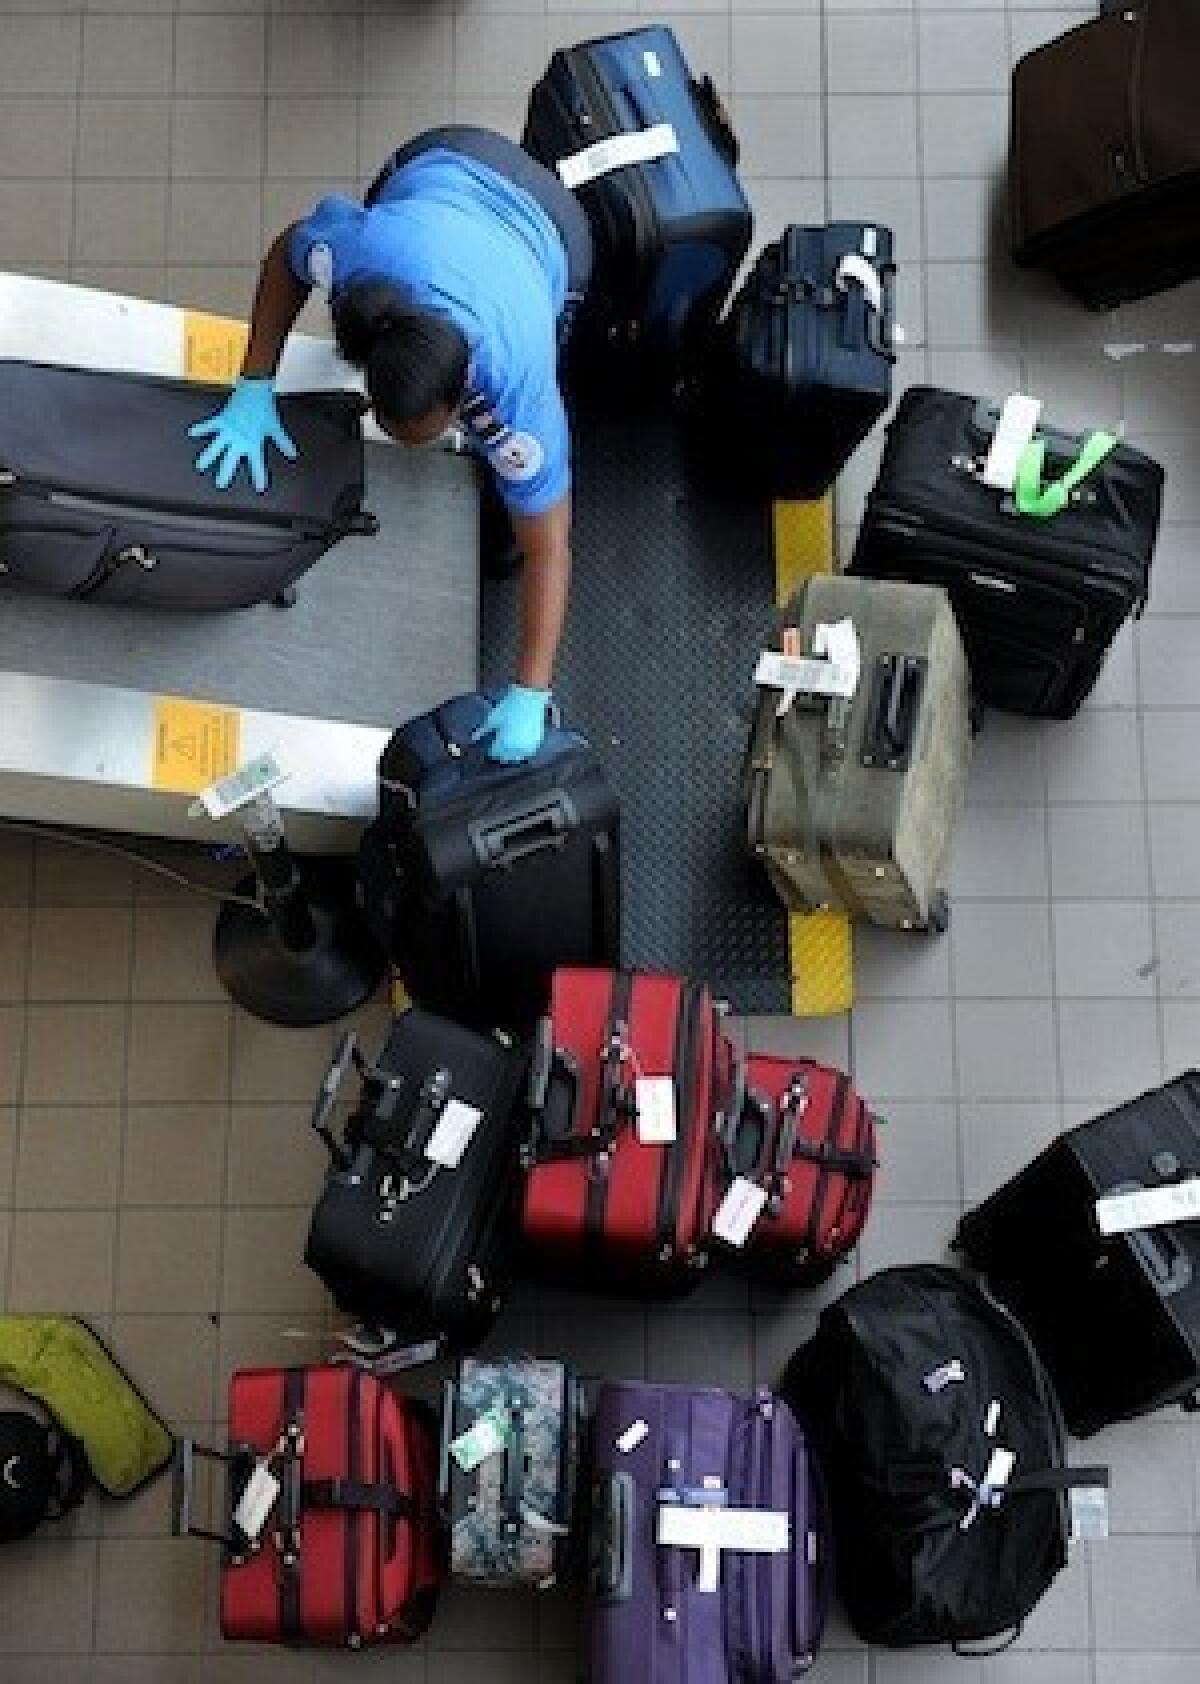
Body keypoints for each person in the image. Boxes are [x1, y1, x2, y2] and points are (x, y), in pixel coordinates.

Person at [188, 127, 593, 765]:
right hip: (450, 160)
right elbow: (284, 256)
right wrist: (254, 383)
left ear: (463, 400)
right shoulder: (361, 257)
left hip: (547, 229)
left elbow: (552, 547)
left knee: (518, 525)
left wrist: (531, 689)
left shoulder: (520, 396)